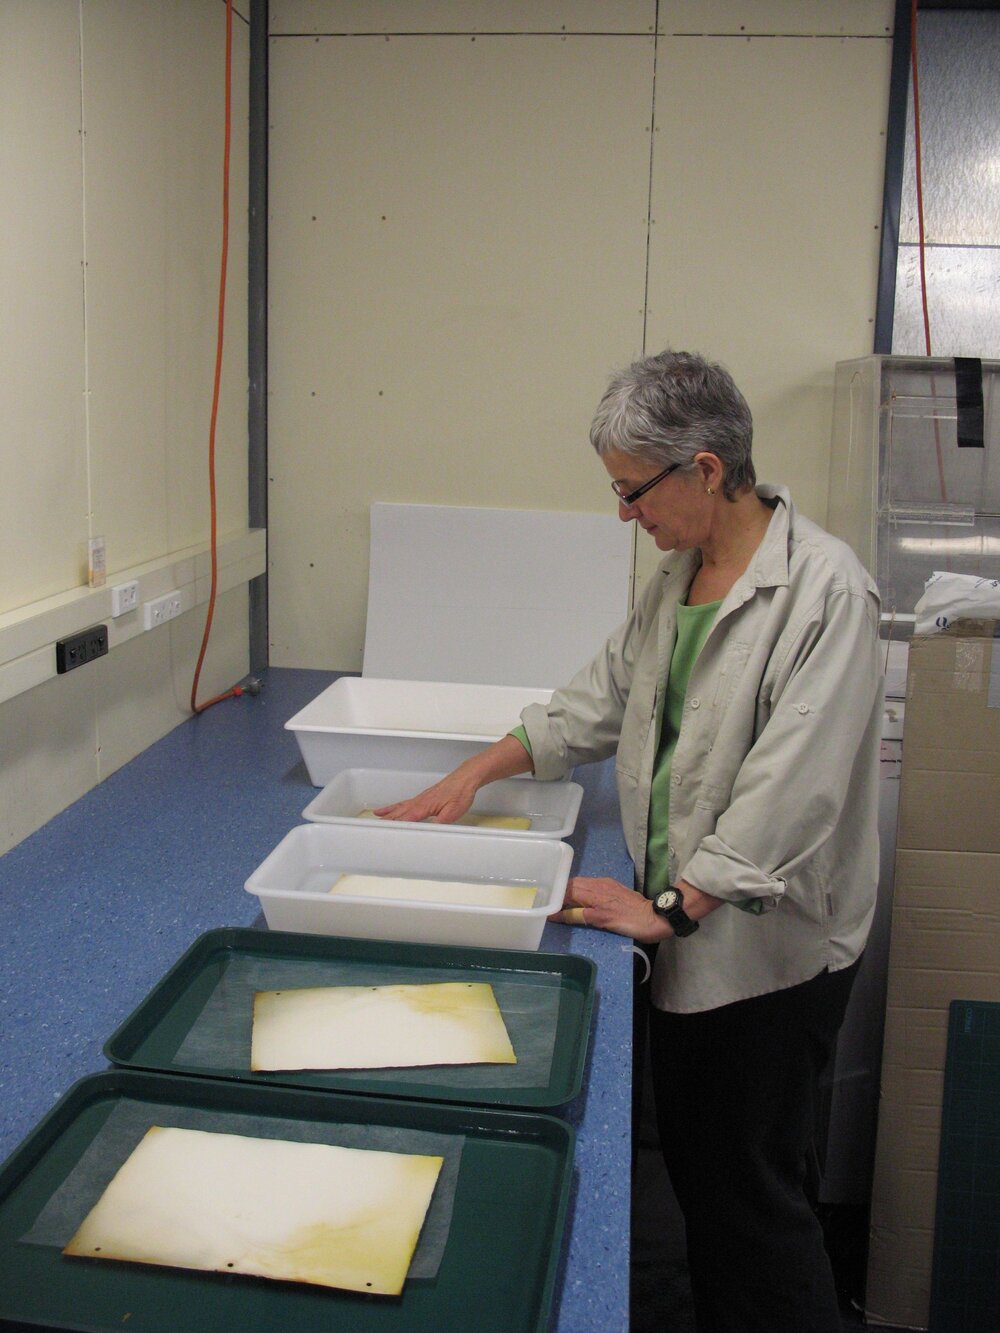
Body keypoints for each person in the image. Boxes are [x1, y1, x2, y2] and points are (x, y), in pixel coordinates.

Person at [376, 349, 882, 1333]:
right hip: (691, 926)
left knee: (753, 1199)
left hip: (766, 954)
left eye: (631, 490)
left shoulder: (825, 593)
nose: (622, 515)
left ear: (705, 469)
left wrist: (671, 907)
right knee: (704, 1175)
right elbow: (602, 696)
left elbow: (793, 795)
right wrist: (476, 772)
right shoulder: (680, 575)